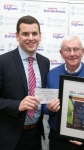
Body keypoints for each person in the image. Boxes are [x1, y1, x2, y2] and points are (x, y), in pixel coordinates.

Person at [42, 35, 84, 150]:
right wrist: (49, 107)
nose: (72, 53)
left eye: (76, 49)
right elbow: (44, 107)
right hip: (58, 139)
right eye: (67, 50)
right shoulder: (52, 74)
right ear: (61, 53)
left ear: (83, 52)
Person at [0, 15, 50, 150]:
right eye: (25, 34)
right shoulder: (3, 62)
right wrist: (17, 105)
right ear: (17, 36)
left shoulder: (45, 62)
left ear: (40, 36)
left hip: (36, 135)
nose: (31, 38)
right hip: (10, 138)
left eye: (34, 33)